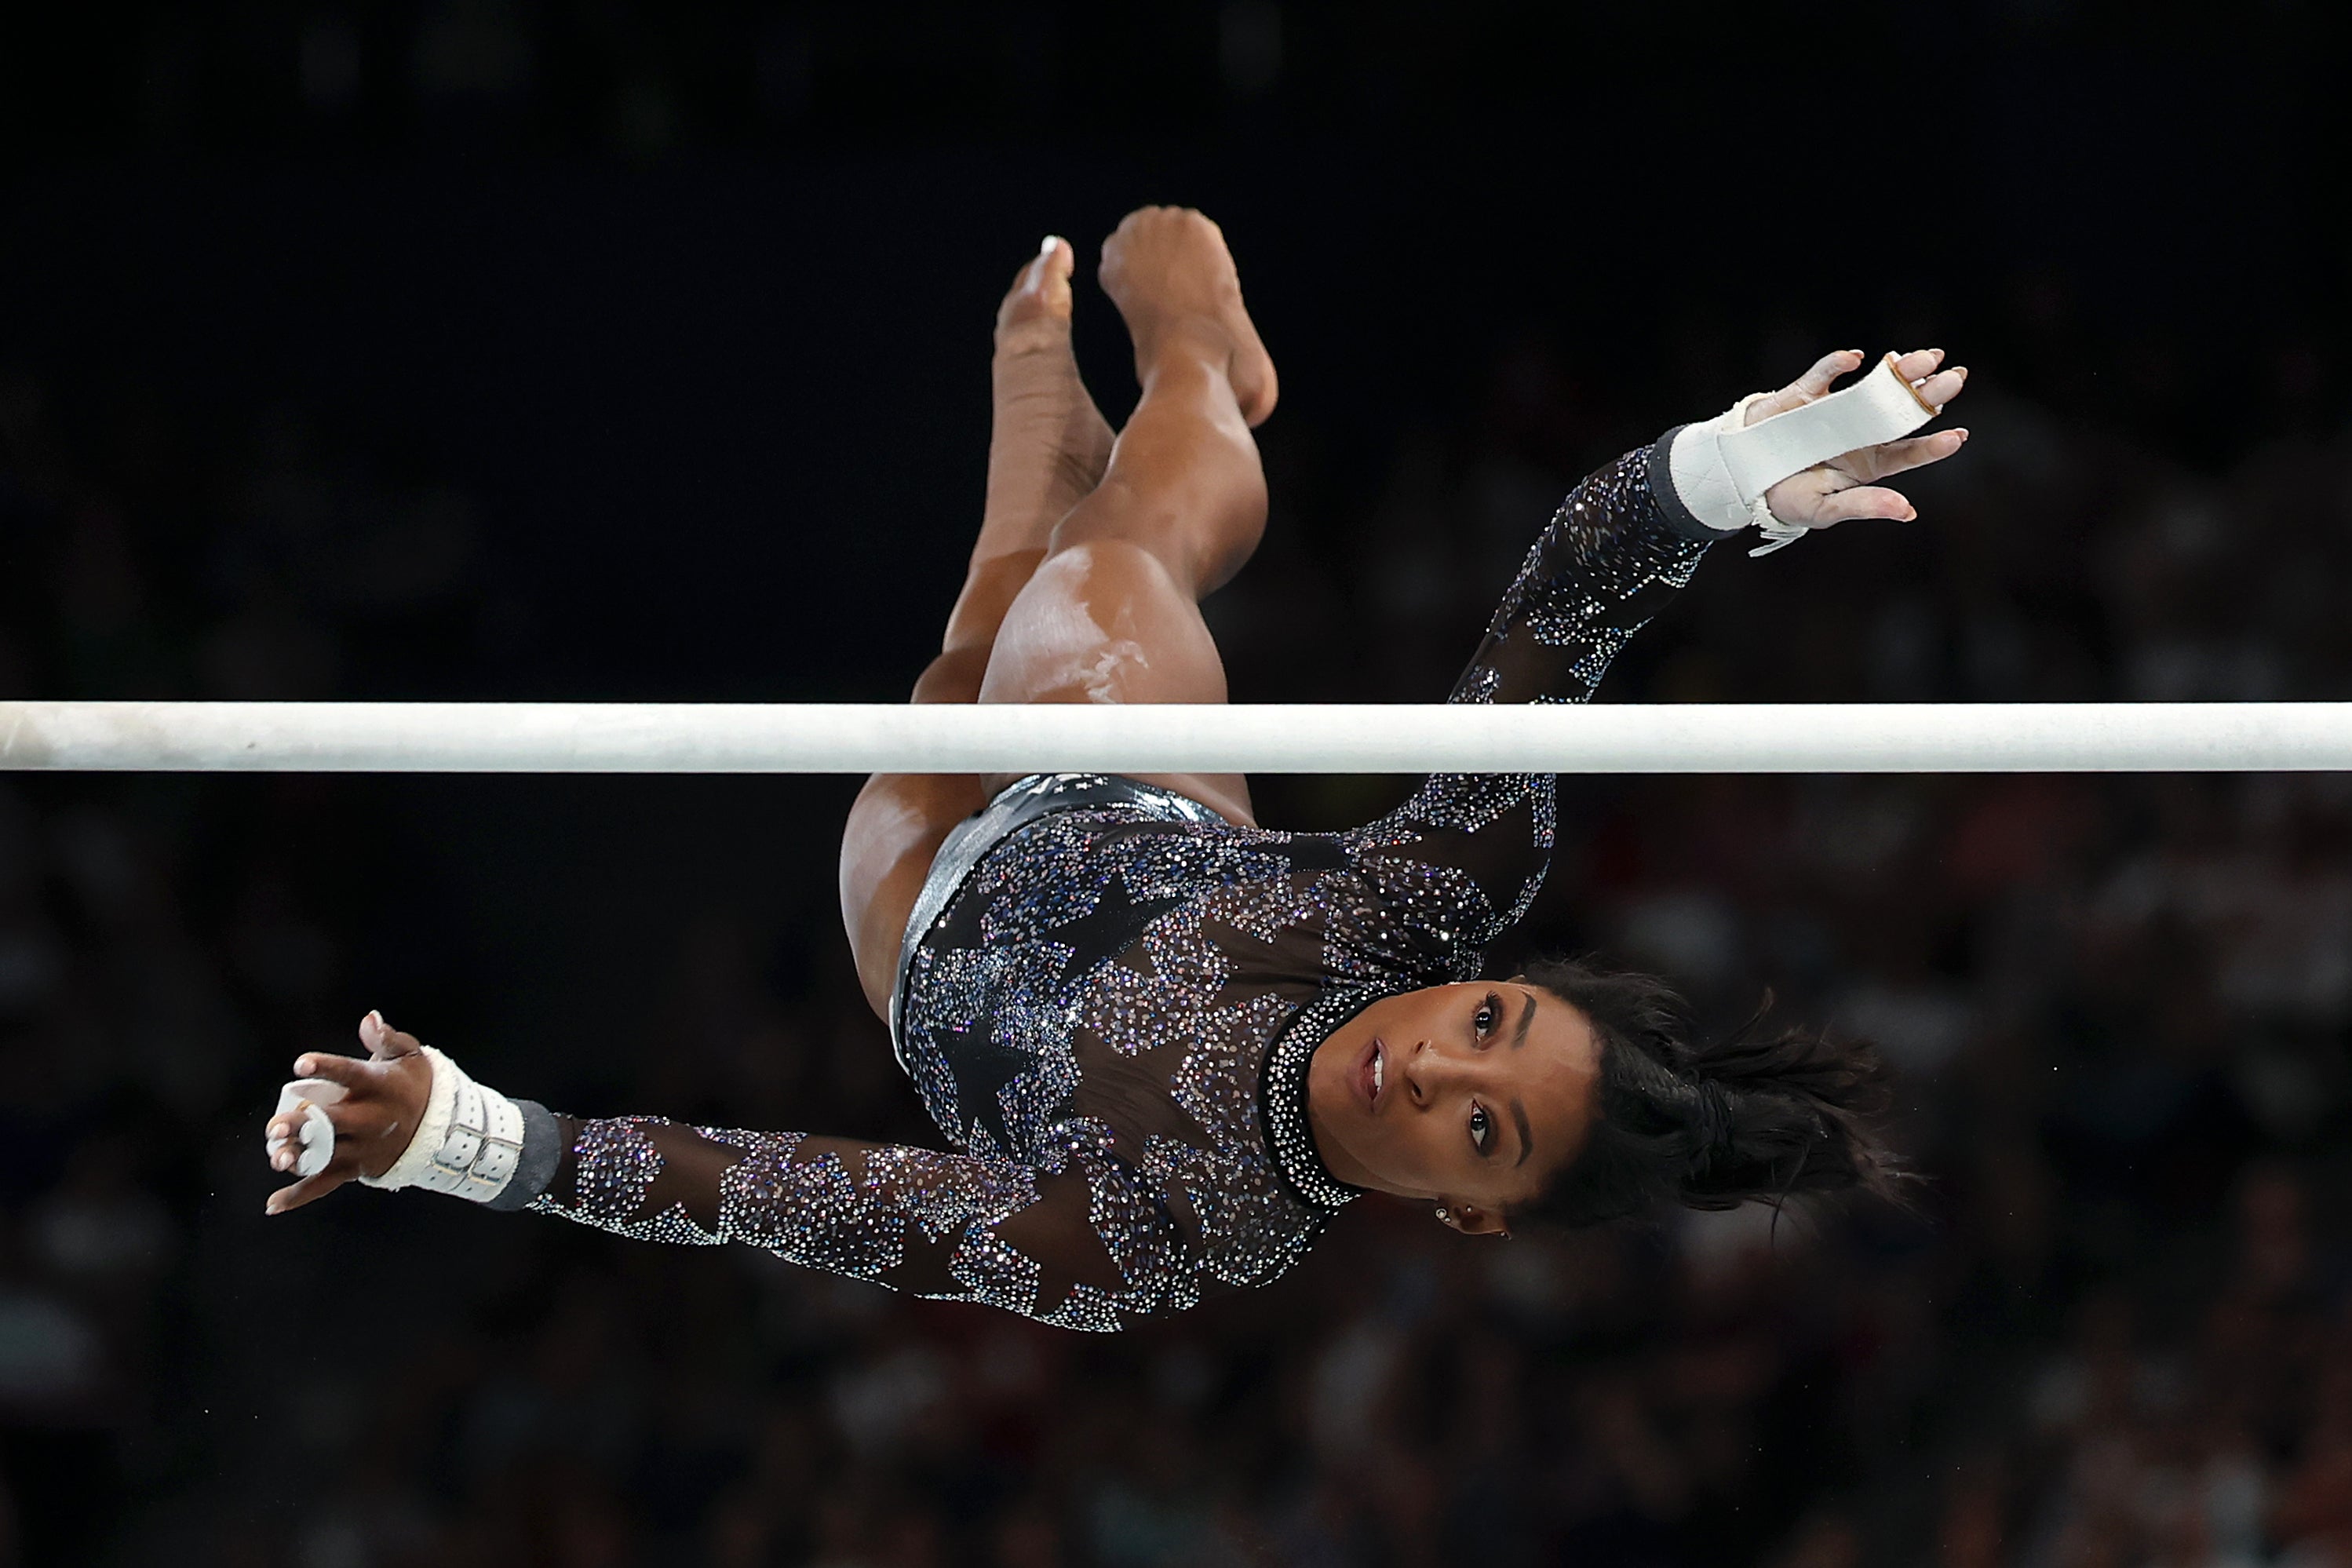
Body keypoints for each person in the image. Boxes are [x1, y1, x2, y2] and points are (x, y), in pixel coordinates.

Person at [261, 207, 1966, 1330]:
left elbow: (814, 1200)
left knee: (973, 651)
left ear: (1472, 1219)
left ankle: (1050, 466)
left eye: (1479, 1130)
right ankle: (1183, 361)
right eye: (1491, 1028)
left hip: (918, 926)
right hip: (1128, 787)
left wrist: (474, 1140)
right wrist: (1746, 466)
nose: (1436, 1067)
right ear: (1494, 984)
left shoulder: (1170, 1236)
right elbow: (1573, 583)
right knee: (1102, 586)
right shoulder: (1423, 901)